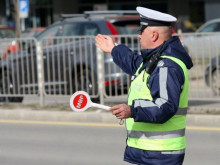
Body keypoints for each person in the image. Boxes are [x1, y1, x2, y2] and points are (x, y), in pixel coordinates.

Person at [95, 6, 193, 165]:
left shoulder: (166, 66)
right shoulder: (155, 61)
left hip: (160, 153)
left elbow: (165, 106)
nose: (139, 35)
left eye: (142, 30)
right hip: (151, 151)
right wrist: (113, 49)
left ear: (154, 35)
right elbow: (134, 64)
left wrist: (132, 110)